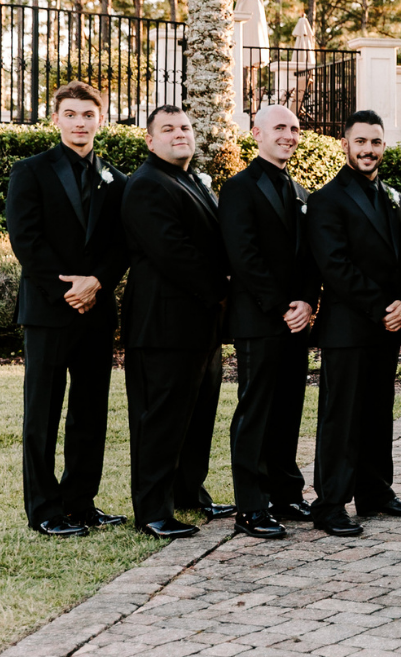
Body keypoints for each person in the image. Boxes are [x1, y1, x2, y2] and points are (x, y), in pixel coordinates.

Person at [6, 81, 129, 538]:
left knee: (90, 413)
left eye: (88, 114)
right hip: (48, 312)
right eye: (71, 114)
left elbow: (122, 243)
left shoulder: (118, 179)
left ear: (101, 119)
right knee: (42, 414)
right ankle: (44, 510)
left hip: (96, 311)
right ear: (56, 119)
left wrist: (97, 281)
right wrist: (69, 290)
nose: (80, 122)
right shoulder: (30, 171)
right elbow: (26, 240)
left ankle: (81, 503)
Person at [306, 110, 401, 537]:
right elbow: (335, 266)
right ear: (345, 145)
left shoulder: (394, 197)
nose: (368, 150)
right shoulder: (327, 199)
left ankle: (375, 492)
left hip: (387, 327)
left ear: (383, 146)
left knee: (377, 412)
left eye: (375, 142)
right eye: (361, 142)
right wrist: (382, 307)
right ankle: (330, 503)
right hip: (349, 327)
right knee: (342, 417)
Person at [121, 105, 233, 539]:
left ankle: (189, 494)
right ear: (150, 141)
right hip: (163, 325)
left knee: (198, 416)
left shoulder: (191, 180)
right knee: (161, 420)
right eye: (168, 129)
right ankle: (153, 511)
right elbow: (173, 252)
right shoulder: (146, 184)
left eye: (185, 127)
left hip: (201, 323)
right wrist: (224, 287)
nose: (180, 133)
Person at [219, 105, 321, 539]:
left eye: (295, 129)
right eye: (280, 127)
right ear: (256, 133)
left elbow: (312, 256)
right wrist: (282, 305)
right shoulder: (238, 187)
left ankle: (286, 493)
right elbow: (243, 255)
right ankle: (251, 505)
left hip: (296, 320)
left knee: (288, 410)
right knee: (256, 411)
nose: (289, 135)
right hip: (259, 318)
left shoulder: (301, 190)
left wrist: (308, 302)